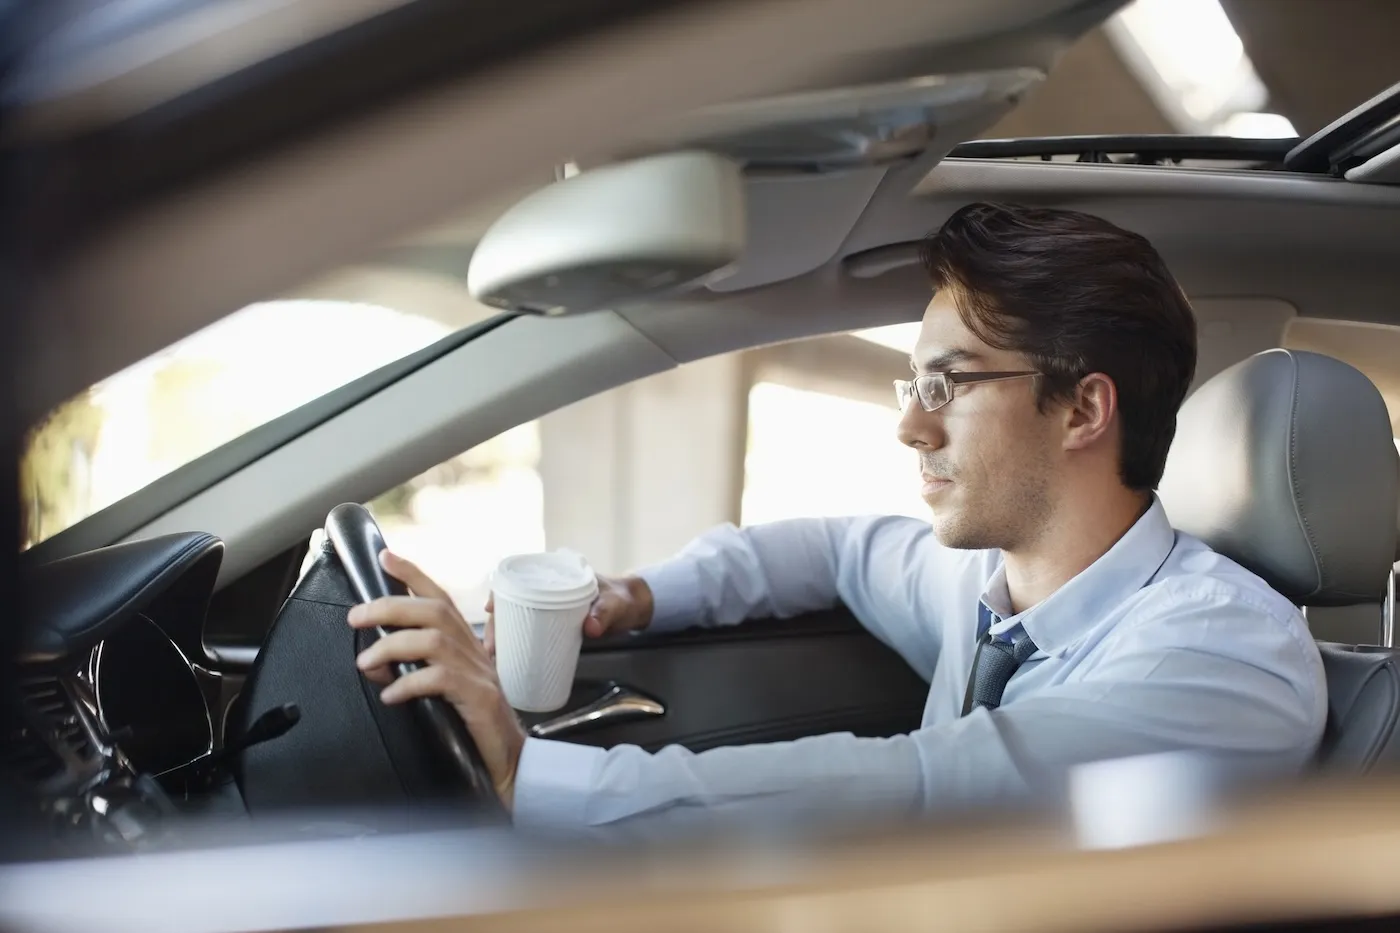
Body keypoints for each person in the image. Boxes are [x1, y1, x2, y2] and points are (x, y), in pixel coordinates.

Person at [347, 202, 1326, 834]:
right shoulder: (986, 588)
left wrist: (532, 773)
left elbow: (932, 788)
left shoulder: (1222, 660)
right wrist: (635, 596)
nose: (907, 424)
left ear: (1081, 409)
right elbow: (833, 550)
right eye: (911, 383)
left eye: (947, 385)